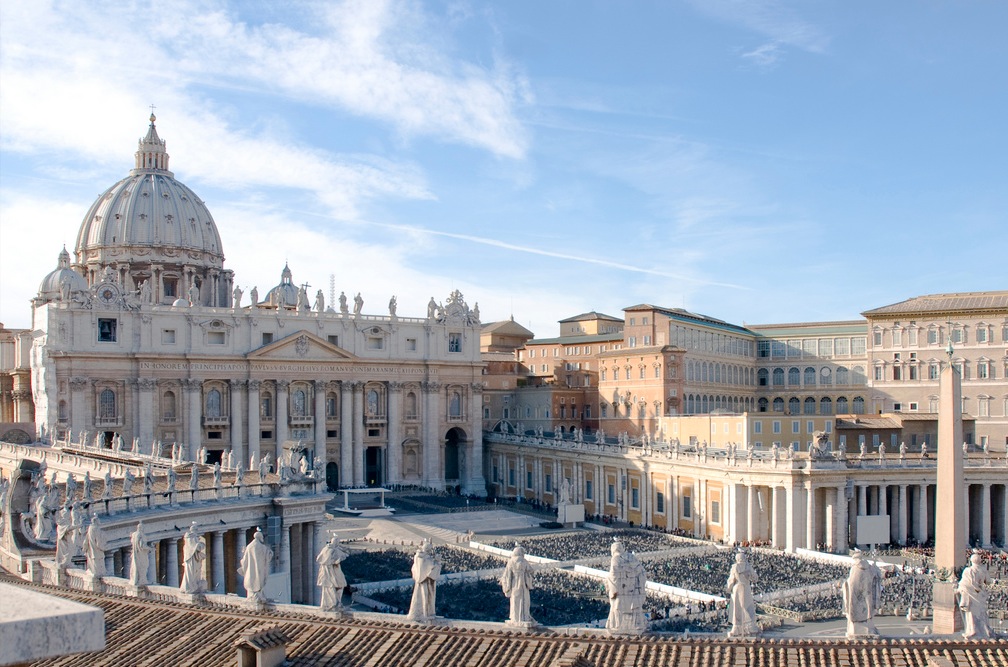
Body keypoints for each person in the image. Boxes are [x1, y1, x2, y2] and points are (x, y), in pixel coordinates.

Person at [605, 539, 647, 634]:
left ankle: (617, 625)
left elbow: (613, 576)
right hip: (633, 591)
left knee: (617, 608)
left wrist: (608, 582)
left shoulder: (615, 559)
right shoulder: (631, 557)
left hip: (621, 591)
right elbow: (642, 572)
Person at [842, 549, 881, 637]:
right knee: (867, 608)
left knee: (856, 610)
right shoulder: (869, 568)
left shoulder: (855, 568)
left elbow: (851, 583)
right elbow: (876, 577)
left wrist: (845, 585)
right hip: (867, 595)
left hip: (856, 596)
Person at [958, 552, 992, 639]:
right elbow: (988, 581)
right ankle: (984, 630)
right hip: (980, 594)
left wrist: (958, 589)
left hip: (971, 594)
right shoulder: (983, 570)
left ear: (971, 561)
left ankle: (972, 630)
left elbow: (963, 583)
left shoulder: (968, 570)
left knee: (971, 613)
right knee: (981, 613)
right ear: (980, 561)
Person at [500, 544, 536, 626]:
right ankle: (524, 617)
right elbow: (531, 571)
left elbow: (507, 575)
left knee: (515, 601)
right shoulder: (524, 561)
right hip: (523, 585)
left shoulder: (511, 562)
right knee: (524, 601)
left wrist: (507, 587)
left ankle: (515, 618)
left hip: (514, 584)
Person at [725, 551, 759, 637]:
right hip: (746, 588)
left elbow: (731, 580)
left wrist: (728, 589)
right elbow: (755, 578)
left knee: (737, 608)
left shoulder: (735, 567)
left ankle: (736, 628)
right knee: (748, 607)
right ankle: (751, 627)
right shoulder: (748, 566)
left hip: (737, 588)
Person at [407, 539, 441, 621]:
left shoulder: (417, 557)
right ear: (428, 550)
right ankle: (425, 614)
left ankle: (420, 614)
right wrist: (437, 561)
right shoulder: (425, 559)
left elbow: (414, 569)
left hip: (420, 582)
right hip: (425, 582)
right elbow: (431, 570)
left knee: (419, 598)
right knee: (425, 597)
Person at [238, 528, 273, 603]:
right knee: (259, 581)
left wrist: (243, 564)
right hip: (260, 569)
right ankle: (258, 595)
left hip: (251, 570)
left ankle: (253, 595)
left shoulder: (249, 547)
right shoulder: (263, 548)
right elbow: (268, 556)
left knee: (251, 580)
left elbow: (244, 560)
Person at [316, 534, 349, 611]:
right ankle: (332, 605)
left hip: (333, 571)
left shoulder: (332, 549)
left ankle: (336, 603)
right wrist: (333, 561)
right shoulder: (328, 550)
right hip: (328, 573)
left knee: (340, 585)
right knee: (330, 588)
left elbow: (344, 554)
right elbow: (321, 559)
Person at [180, 522, 207, 594]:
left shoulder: (193, 537)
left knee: (194, 573)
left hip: (193, 558)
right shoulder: (190, 537)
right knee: (190, 574)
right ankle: (190, 588)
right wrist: (201, 544)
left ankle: (192, 587)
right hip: (191, 559)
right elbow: (196, 547)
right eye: (196, 529)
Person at [130, 521, 151, 586]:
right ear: (142, 528)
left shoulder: (134, 534)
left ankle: (135, 580)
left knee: (135, 566)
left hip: (135, 554)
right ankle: (141, 580)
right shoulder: (141, 535)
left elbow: (132, 542)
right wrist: (150, 548)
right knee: (143, 567)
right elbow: (142, 546)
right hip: (141, 555)